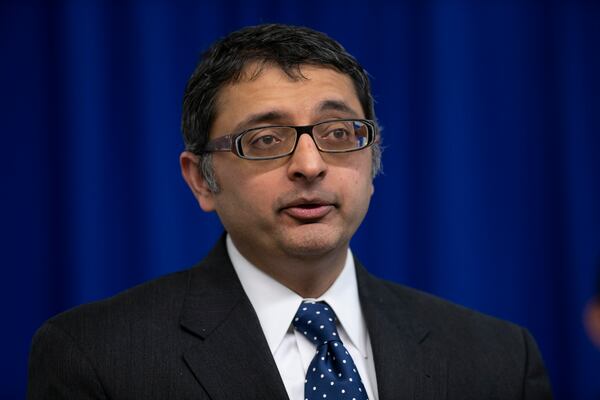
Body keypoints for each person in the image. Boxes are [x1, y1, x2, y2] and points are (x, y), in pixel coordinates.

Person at [27, 24, 552, 399]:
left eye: (338, 133)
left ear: (373, 160)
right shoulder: (96, 358)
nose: (309, 164)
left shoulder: (498, 358)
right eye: (266, 139)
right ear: (200, 180)